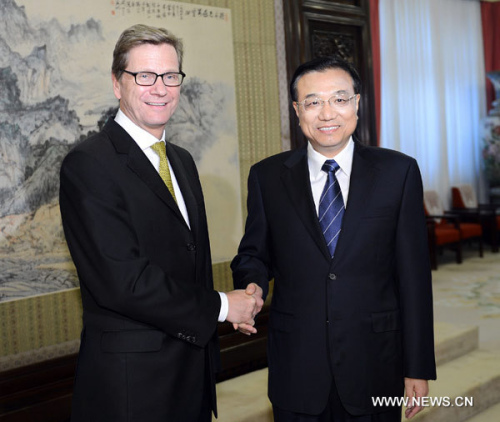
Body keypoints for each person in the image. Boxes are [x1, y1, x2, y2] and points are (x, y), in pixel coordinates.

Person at [59, 24, 262, 422]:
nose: (160, 88)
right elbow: (123, 282)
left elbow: (188, 263)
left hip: (192, 372)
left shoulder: (181, 161)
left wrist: (233, 307)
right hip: (133, 386)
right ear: (118, 84)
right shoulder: (89, 164)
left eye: (171, 76)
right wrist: (223, 306)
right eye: (144, 76)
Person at [231, 56, 436, 421]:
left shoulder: (398, 172)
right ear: (297, 111)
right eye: (313, 102)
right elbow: (254, 254)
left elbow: (414, 277)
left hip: (375, 363)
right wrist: (251, 286)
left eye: (339, 99)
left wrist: (417, 365)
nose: (327, 113)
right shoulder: (267, 177)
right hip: (297, 366)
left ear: (357, 103)